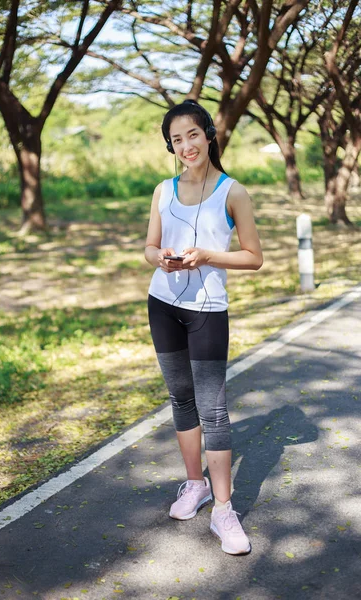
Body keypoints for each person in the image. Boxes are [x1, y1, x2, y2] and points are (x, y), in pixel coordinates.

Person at [144, 99, 263, 555]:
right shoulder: (162, 190)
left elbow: (253, 257)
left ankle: (223, 510)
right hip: (163, 303)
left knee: (213, 409)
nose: (186, 145)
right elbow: (150, 248)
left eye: (193, 134)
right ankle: (195, 484)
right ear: (170, 146)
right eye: (177, 139)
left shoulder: (233, 192)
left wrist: (207, 255)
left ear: (209, 133)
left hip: (208, 310)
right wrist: (163, 259)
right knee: (180, 397)